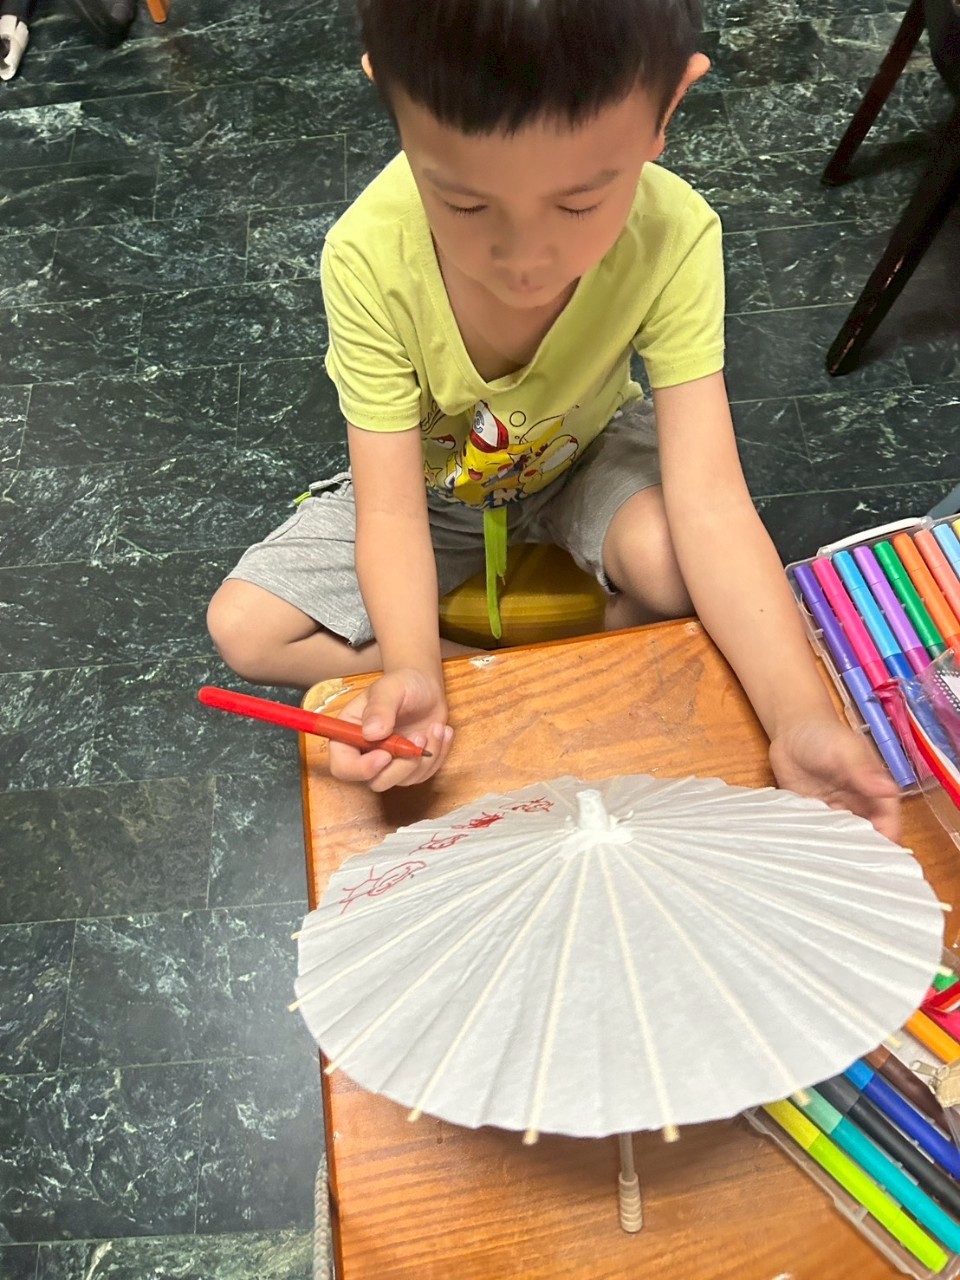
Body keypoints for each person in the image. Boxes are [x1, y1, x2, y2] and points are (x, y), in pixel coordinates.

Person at [207, 0, 900, 840]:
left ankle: (554, 648)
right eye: (463, 204)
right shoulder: (367, 255)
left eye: (579, 204)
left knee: (678, 567)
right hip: (434, 486)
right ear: (389, 98)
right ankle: (527, 660)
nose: (525, 261)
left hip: (586, 452)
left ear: (670, 107)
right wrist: (419, 674)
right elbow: (389, 512)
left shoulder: (675, 234)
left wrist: (803, 718)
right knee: (245, 628)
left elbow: (713, 501)